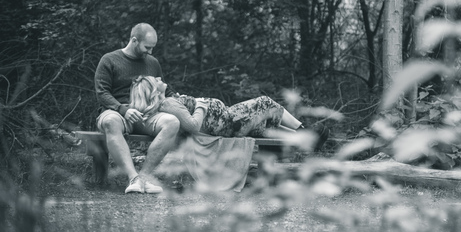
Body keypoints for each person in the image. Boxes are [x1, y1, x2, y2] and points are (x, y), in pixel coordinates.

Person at [128, 76, 329, 150]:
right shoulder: (168, 104)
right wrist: (201, 104)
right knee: (265, 103)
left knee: (265, 117)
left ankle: (306, 138)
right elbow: (192, 125)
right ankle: (305, 131)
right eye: (155, 79)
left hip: (227, 120)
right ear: (153, 90)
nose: (159, 76)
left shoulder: (168, 103)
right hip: (228, 122)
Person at [94, 23, 181, 194]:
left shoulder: (152, 63)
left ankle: (144, 178)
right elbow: (102, 93)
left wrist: (178, 98)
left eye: (153, 48)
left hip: (147, 114)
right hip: (117, 112)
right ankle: (132, 177)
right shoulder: (109, 60)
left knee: (172, 122)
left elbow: (162, 87)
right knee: (110, 121)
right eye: (147, 47)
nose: (150, 52)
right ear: (134, 40)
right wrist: (123, 110)